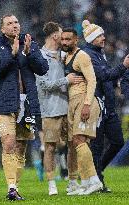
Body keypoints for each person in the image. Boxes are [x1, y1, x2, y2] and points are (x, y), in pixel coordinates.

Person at [0, 14, 49, 201]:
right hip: (5, 103)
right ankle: (11, 188)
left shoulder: (30, 44)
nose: (14, 26)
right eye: (9, 23)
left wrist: (29, 53)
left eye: (16, 22)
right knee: (8, 143)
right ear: (2, 29)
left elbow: (43, 68)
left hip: (27, 104)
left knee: (21, 146)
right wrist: (12, 54)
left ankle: (15, 187)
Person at [36, 22, 84, 195]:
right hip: (50, 109)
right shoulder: (39, 57)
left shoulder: (65, 56)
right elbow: (44, 85)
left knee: (73, 144)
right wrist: (66, 80)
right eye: (61, 35)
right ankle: (51, 184)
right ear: (55, 36)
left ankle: (72, 181)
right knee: (50, 147)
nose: (64, 39)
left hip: (69, 108)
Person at [82, 20, 129, 192]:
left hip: (109, 104)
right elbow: (103, 75)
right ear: (92, 38)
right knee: (97, 145)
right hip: (97, 104)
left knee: (117, 141)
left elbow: (108, 77)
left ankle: (96, 171)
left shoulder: (99, 53)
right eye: (100, 36)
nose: (104, 38)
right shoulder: (88, 55)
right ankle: (97, 181)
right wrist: (123, 66)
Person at [61, 28, 102, 195]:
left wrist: (86, 104)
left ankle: (94, 181)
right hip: (73, 102)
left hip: (85, 100)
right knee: (77, 143)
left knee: (79, 140)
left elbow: (92, 80)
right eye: (63, 39)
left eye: (68, 39)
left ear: (76, 40)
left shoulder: (82, 56)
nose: (64, 42)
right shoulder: (67, 58)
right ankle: (85, 182)